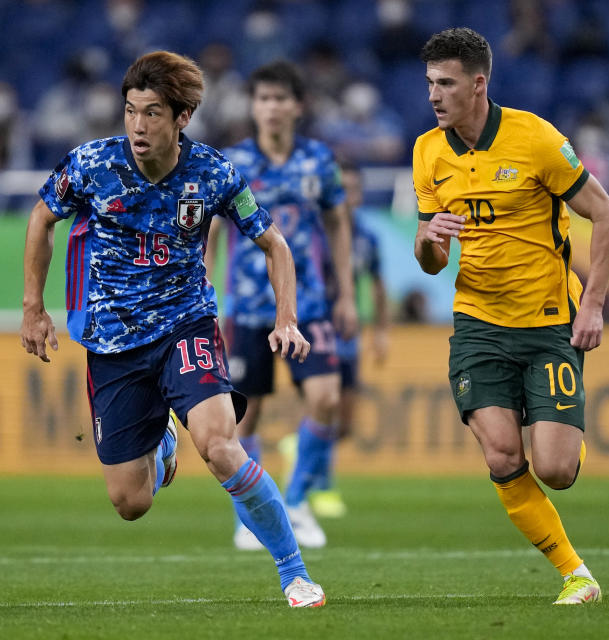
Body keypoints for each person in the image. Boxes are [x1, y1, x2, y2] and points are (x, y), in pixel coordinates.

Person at [20, 51, 326, 608]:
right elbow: (42, 217)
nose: (138, 125)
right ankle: (161, 446)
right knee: (130, 502)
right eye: (131, 111)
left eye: (153, 113)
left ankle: (294, 573)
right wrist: (32, 308)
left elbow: (273, 243)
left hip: (186, 324)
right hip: (113, 344)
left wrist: (287, 319)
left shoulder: (213, 173)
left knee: (219, 446)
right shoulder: (90, 164)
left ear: (182, 117)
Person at [412, 28, 609, 605]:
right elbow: (430, 262)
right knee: (503, 455)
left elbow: (607, 217)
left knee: (554, 469)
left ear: (478, 84)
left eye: (446, 83)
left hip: (550, 318)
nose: (434, 94)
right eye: (430, 82)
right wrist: (429, 238)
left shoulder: (537, 140)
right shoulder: (428, 151)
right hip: (478, 322)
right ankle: (576, 574)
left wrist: (596, 304)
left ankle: (568, 428)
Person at [208, 61, 357, 551]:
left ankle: (293, 502)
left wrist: (347, 295)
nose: (270, 108)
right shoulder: (231, 163)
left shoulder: (319, 161)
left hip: (308, 304)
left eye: (279, 98)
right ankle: (250, 517)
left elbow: (337, 224)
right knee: (244, 418)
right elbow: (208, 230)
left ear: (298, 105)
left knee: (327, 399)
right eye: (262, 99)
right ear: (253, 107)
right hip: (247, 307)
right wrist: (203, 293)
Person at [304, 163, 390, 518]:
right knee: (324, 406)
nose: (348, 197)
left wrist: (382, 331)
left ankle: (307, 457)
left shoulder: (367, 238)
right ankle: (318, 485)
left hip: (348, 336)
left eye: (354, 190)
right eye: (343, 189)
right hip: (315, 330)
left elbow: (377, 284)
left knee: (346, 424)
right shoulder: (313, 234)